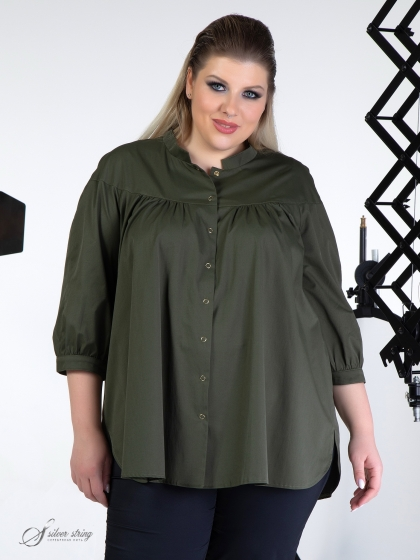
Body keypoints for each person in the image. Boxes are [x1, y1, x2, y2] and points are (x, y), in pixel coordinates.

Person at [52, 13, 383, 560]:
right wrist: (86, 433)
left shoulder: (292, 185)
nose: (232, 108)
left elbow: (329, 316)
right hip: (156, 442)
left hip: (277, 440)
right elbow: (85, 314)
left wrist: (363, 431)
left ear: (267, 101)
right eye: (218, 86)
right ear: (189, 82)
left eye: (251, 93)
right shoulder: (121, 175)